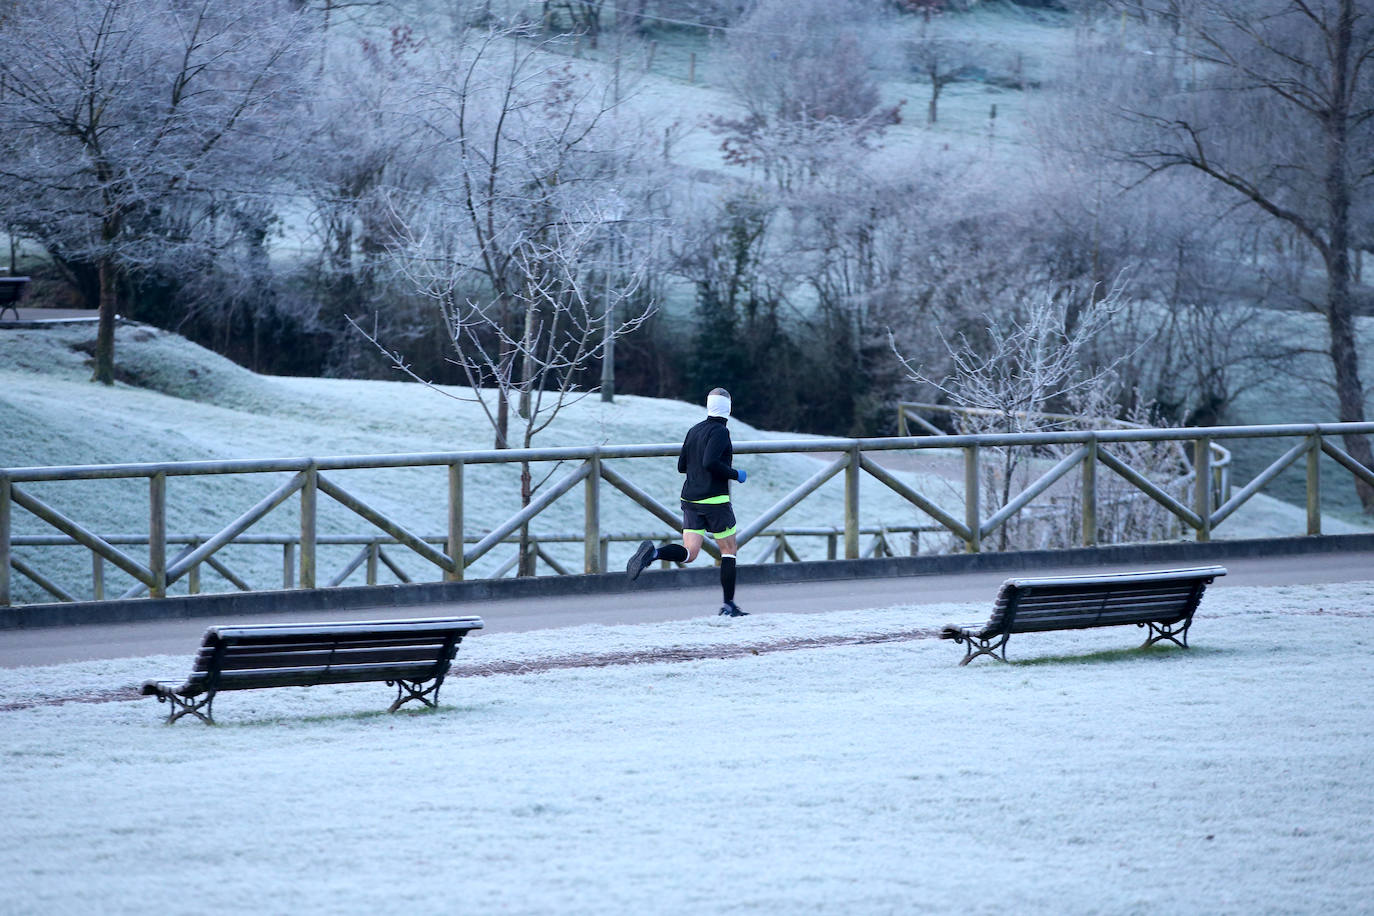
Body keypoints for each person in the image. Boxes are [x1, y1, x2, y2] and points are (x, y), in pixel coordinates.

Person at [627, 387, 748, 616]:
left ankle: (654, 554)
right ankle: (728, 606)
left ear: (708, 404)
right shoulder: (721, 432)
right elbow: (710, 462)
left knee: (690, 553)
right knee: (729, 550)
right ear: (728, 408)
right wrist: (736, 474)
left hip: (690, 499)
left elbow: (682, 466)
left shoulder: (694, 430)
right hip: (715, 500)